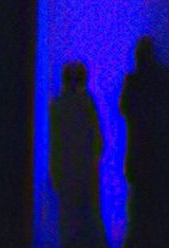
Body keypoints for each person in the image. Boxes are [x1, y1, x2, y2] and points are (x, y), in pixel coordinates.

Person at [122, 38, 169, 248]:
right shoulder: (163, 80)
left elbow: (124, 108)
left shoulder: (133, 81)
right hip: (159, 157)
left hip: (139, 155)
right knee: (156, 209)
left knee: (139, 208)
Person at [49, 61, 105, 248]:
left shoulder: (57, 106)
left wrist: (55, 171)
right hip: (86, 175)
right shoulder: (87, 104)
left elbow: (55, 143)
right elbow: (98, 141)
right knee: (89, 222)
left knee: (69, 225)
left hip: (67, 175)